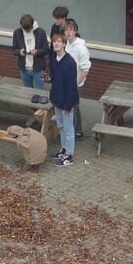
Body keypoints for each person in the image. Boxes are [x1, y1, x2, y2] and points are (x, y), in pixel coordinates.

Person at [47, 32, 79, 166]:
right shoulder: (54, 59)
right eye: (54, 41)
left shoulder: (70, 63)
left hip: (66, 102)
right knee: (61, 126)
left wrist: (68, 105)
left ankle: (69, 156)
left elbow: (71, 86)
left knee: (69, 129)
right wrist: (49, 78)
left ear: (64, 44)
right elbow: (55, 77)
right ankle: (64, 149)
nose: (56, 44)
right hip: (57, 99)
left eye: (59, 41)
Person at [11, 13, 49, 87]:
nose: (27, 31)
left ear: (32, 25)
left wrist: (37, 52)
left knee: (40, 92)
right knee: (27, 92)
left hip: (38, 69)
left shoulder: (41, 32)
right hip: (24, 69)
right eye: (24, 29)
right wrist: (20, 52)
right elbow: (14, 50)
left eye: (29, 29)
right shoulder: (17, 33)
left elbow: (46, 50)